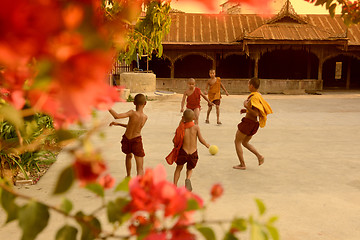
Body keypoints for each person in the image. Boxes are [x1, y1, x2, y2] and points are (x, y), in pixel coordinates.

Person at [166, 109, 210, 191]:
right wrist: (207, 145)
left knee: (178, 168)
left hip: (183, 152)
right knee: (189, 169)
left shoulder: (181, 128)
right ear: (193, 117)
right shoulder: (196, 127)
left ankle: (174, 185)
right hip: (193, 153)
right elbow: (201, 139)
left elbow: (174, 140)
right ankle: (188, 179)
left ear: (183, 118)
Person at [233, 78, 273, 170]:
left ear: (251, 85)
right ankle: (259, 156)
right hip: (254, 124)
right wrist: (246, 110)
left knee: (237, 141)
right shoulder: (258, 95)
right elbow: (255, 109)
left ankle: (242, 164)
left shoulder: (254, 97)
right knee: (245, 142)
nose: (248, 86)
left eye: (248, 84)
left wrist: (246, 106)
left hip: (248, 123)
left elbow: (256, 113)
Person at [108, 93, 148, 177]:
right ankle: (139, 184)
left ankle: (128, 175)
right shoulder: (144, 117)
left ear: (134, 103)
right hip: (136, 141)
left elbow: (117, 116)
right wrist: (118, 124)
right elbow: (136, 128)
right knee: (140, 168)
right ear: (145, 103)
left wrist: (107, 107)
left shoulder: (132, 113)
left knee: (128, 155)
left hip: (127, 139)